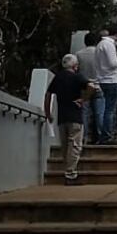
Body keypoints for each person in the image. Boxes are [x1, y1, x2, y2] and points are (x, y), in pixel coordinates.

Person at [44, 54, 90, 185]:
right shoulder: (77, 77)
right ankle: (70, 174)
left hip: (62, 118)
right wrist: (84, 99)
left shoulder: (58, 77)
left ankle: (69, 171)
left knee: (65, 146)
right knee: (74, 146)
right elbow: (92, 87)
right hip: (75, 116)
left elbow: (48, 95)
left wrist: (48, 113)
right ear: (75, 66)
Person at [76, 32, 104, 144]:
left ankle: (84, 137)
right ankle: (101, 137)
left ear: (85, 42)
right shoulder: (100, 53)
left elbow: (76, 70)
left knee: (84, 113)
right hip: (99, 85)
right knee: (99, 113)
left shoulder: (78, 54)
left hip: (84, 86)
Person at [95, 27, 117, 143]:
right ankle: (107, 135)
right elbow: (113, 64)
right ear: (116, 36)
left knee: (104, 109)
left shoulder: (99, 45)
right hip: (112, 80)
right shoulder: (109, 45)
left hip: (102, 80)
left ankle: (104, 134)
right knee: (110, 110)